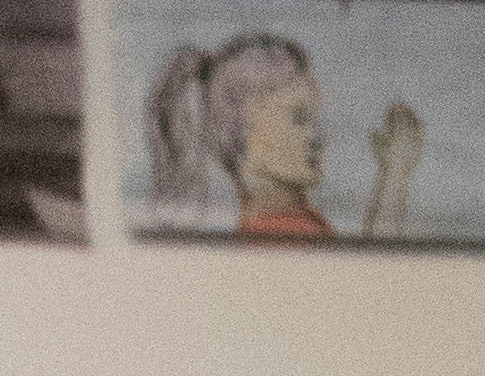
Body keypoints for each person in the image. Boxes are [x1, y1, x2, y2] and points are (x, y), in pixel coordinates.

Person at [143, 36, 421, 240]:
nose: (319, 136)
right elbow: (366, 291)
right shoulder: (281, 233)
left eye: (314, 120)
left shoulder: (285, 226)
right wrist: (394, 176)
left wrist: (393, 173)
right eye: (300, 118)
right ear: (241, 134)